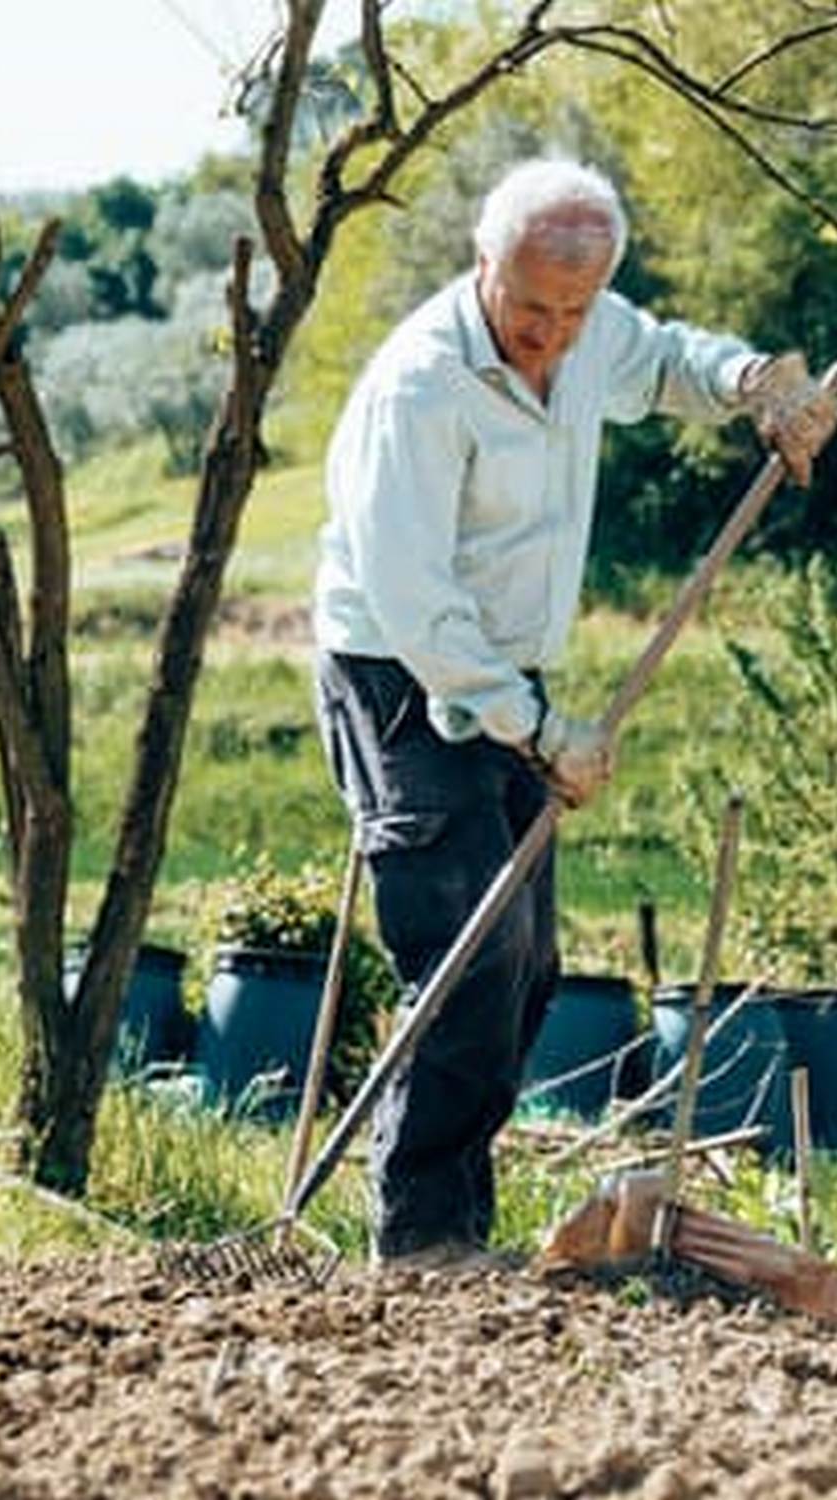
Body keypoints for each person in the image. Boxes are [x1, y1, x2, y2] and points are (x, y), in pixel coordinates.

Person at [312, 156, 836, 1270]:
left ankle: (451, 1227)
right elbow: (415, 602)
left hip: (509, 672)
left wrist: (752, 381)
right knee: (467, 952)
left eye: (572, 309)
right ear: (482, 264)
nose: (550, 334)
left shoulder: (592, 332)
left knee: (531, 963)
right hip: (404, 677)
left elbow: (662, 361)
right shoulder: (421, 386)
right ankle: (420, 1240)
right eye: (529, 305)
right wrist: (541, 732)